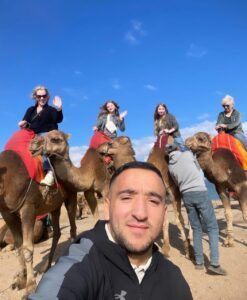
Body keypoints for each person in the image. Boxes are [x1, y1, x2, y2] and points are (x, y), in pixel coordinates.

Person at [29, 161, 193, 300]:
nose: (141, 213)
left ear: (164, 213)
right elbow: (57, 288)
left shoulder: (174, 279)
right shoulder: (81, 266)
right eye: (127, 198)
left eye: (153, 201)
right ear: (107, 208)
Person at [166, 143, 227, 275]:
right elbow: (199, 167)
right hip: (200, 192)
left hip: (186, 196)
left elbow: (177, 183)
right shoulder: (187, 155)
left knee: (196, 228)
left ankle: (199, 262)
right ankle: (215, 264)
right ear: (177, 149)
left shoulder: (171, 166)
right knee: (212, 227)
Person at [18, 85, 63, 186]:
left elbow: (58, 119)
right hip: (32, 135)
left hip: (47, 135)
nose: (42, 98)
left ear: (47, 96)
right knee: (18, 144)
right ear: (35, 97)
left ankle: (50, 172)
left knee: (42, 143)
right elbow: (26, 122)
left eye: (44, 95)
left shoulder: (51, 110)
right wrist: (23, 124)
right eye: (39, 96)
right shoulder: (30, 110)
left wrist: (59, 109)